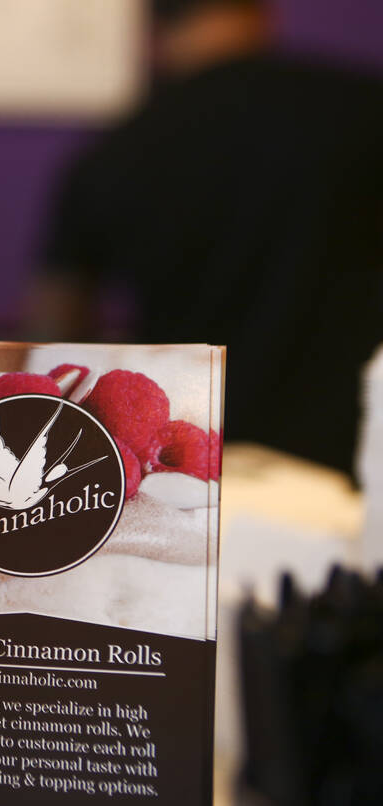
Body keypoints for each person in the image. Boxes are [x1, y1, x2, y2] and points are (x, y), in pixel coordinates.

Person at [31, 0, 383, 477]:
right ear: (261, 15)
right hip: (355, 455)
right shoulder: (364, 110)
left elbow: (55, 333)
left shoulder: (116, 150)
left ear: (153, 31)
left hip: (192, 466)